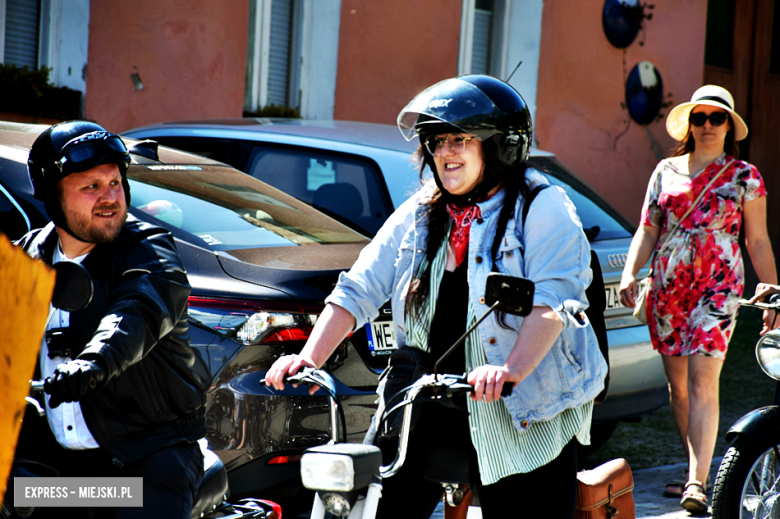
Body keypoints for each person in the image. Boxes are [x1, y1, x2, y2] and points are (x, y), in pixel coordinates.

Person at [265, 75, 607, 519]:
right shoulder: (424, 210)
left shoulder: (542, 206)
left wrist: (509, 370)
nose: (445, 153)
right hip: (422, 398)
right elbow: (361, 285)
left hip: (519, 406)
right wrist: (309, 358)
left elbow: (552, 301)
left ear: (500, 145)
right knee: (374, 507)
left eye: (459, 140)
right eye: (436, 141)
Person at [14, 121, 209, 518]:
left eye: (115, 183)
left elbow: (138, 309)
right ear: (53, 195)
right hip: (62, 468)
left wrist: (93, 364)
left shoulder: (147, 250)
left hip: (145, 456)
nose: (110, 198)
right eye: (91, 187)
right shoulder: (25, 259)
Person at [618, 85, 777, 512]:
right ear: (689, 124)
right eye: (699, 117)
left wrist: (772, 291)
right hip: (669, 287)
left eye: (716, 117)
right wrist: (631, 271)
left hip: (719, 284)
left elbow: (757, 240)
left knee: (704, 379)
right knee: (679, 388)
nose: (707, 125)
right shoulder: (665, 171)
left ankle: (697, 482)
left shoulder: (746, 176)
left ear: (730, 126)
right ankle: (695, 466)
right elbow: (648, 228)